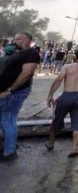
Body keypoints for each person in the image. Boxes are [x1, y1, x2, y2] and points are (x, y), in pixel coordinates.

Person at [0, 32, 41, 161]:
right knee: (4, 119)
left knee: (8, 120)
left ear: (27, 41)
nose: (14, 41)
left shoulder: (31, 54)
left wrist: (10, 90)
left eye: (18, 39)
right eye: (15, 38)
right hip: (6, 92)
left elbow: (26, 73)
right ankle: (9, 145)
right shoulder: (19, 53)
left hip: (14, 93)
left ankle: (10, 152)